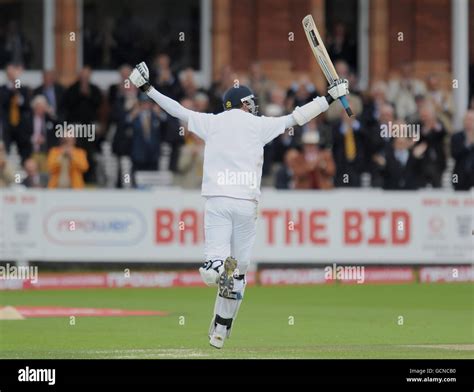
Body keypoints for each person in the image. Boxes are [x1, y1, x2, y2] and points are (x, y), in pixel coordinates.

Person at [130, 61, 349, 349]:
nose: (254, 106)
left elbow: (177, 110)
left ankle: (215, 269)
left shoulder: (212, 121)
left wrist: (147, 88)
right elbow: (296, 117)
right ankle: (220, 329)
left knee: (214, 267)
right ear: (241, 103)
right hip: (246, 204)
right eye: (250, 102)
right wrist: (329, 97)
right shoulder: (258, 125)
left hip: (217, 201)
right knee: (241, 273)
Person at [451, 110, 474, 190]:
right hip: (458, 176)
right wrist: (467, 144)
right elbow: (454, 155)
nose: (469, 122)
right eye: (467, 119)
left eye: (471, 120)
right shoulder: (456, 136)